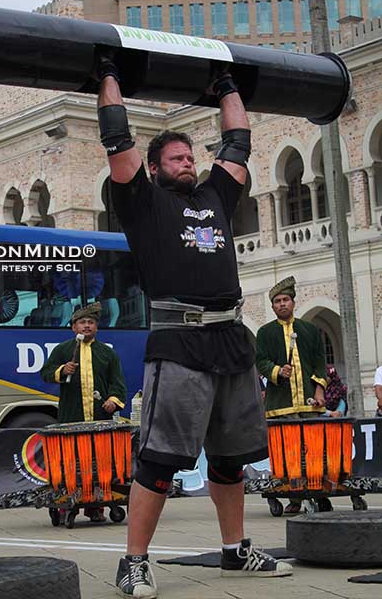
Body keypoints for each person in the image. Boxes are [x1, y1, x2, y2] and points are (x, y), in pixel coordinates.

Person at [95, 53, 292, 597]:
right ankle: (133, 561)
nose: (186, 162)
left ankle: (234, 550)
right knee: (160, 461)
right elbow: (117, 141)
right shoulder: (141, 202)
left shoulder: (214, 198)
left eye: (189, 156)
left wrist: (226, 84)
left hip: (231, 338)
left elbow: (238, 143)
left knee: (230, 461)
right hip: (178, 340)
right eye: (176, 158)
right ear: (155, 168)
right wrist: (107, 74)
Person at [41, 301, 127, 522]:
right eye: (82, 323)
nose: (86, 326)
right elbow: (46, 373)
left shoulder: (107, 354)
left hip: (100, 418)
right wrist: (62, 370)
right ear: (73, 327)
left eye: (90, 323)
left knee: (100, 463)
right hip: (72, 417)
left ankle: (96, 507)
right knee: (71, 464)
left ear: (96, 328)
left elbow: (118, 384)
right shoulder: (62, 350)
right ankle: (66, 506)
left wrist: (112, 401)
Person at [256, 276, 327, 514]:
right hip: (281, 405)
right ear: (273, 306)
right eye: (277, 301)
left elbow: (320, 362)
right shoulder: (265, 333)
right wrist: (278, 370)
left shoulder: (310, 330)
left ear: (293, 303)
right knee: (289, 453)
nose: (282, 304)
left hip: (309, 403)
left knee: (315, 451)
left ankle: (320, 493)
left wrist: (319, 389)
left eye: (286, 299)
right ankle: (294, 498)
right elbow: (260, 361)